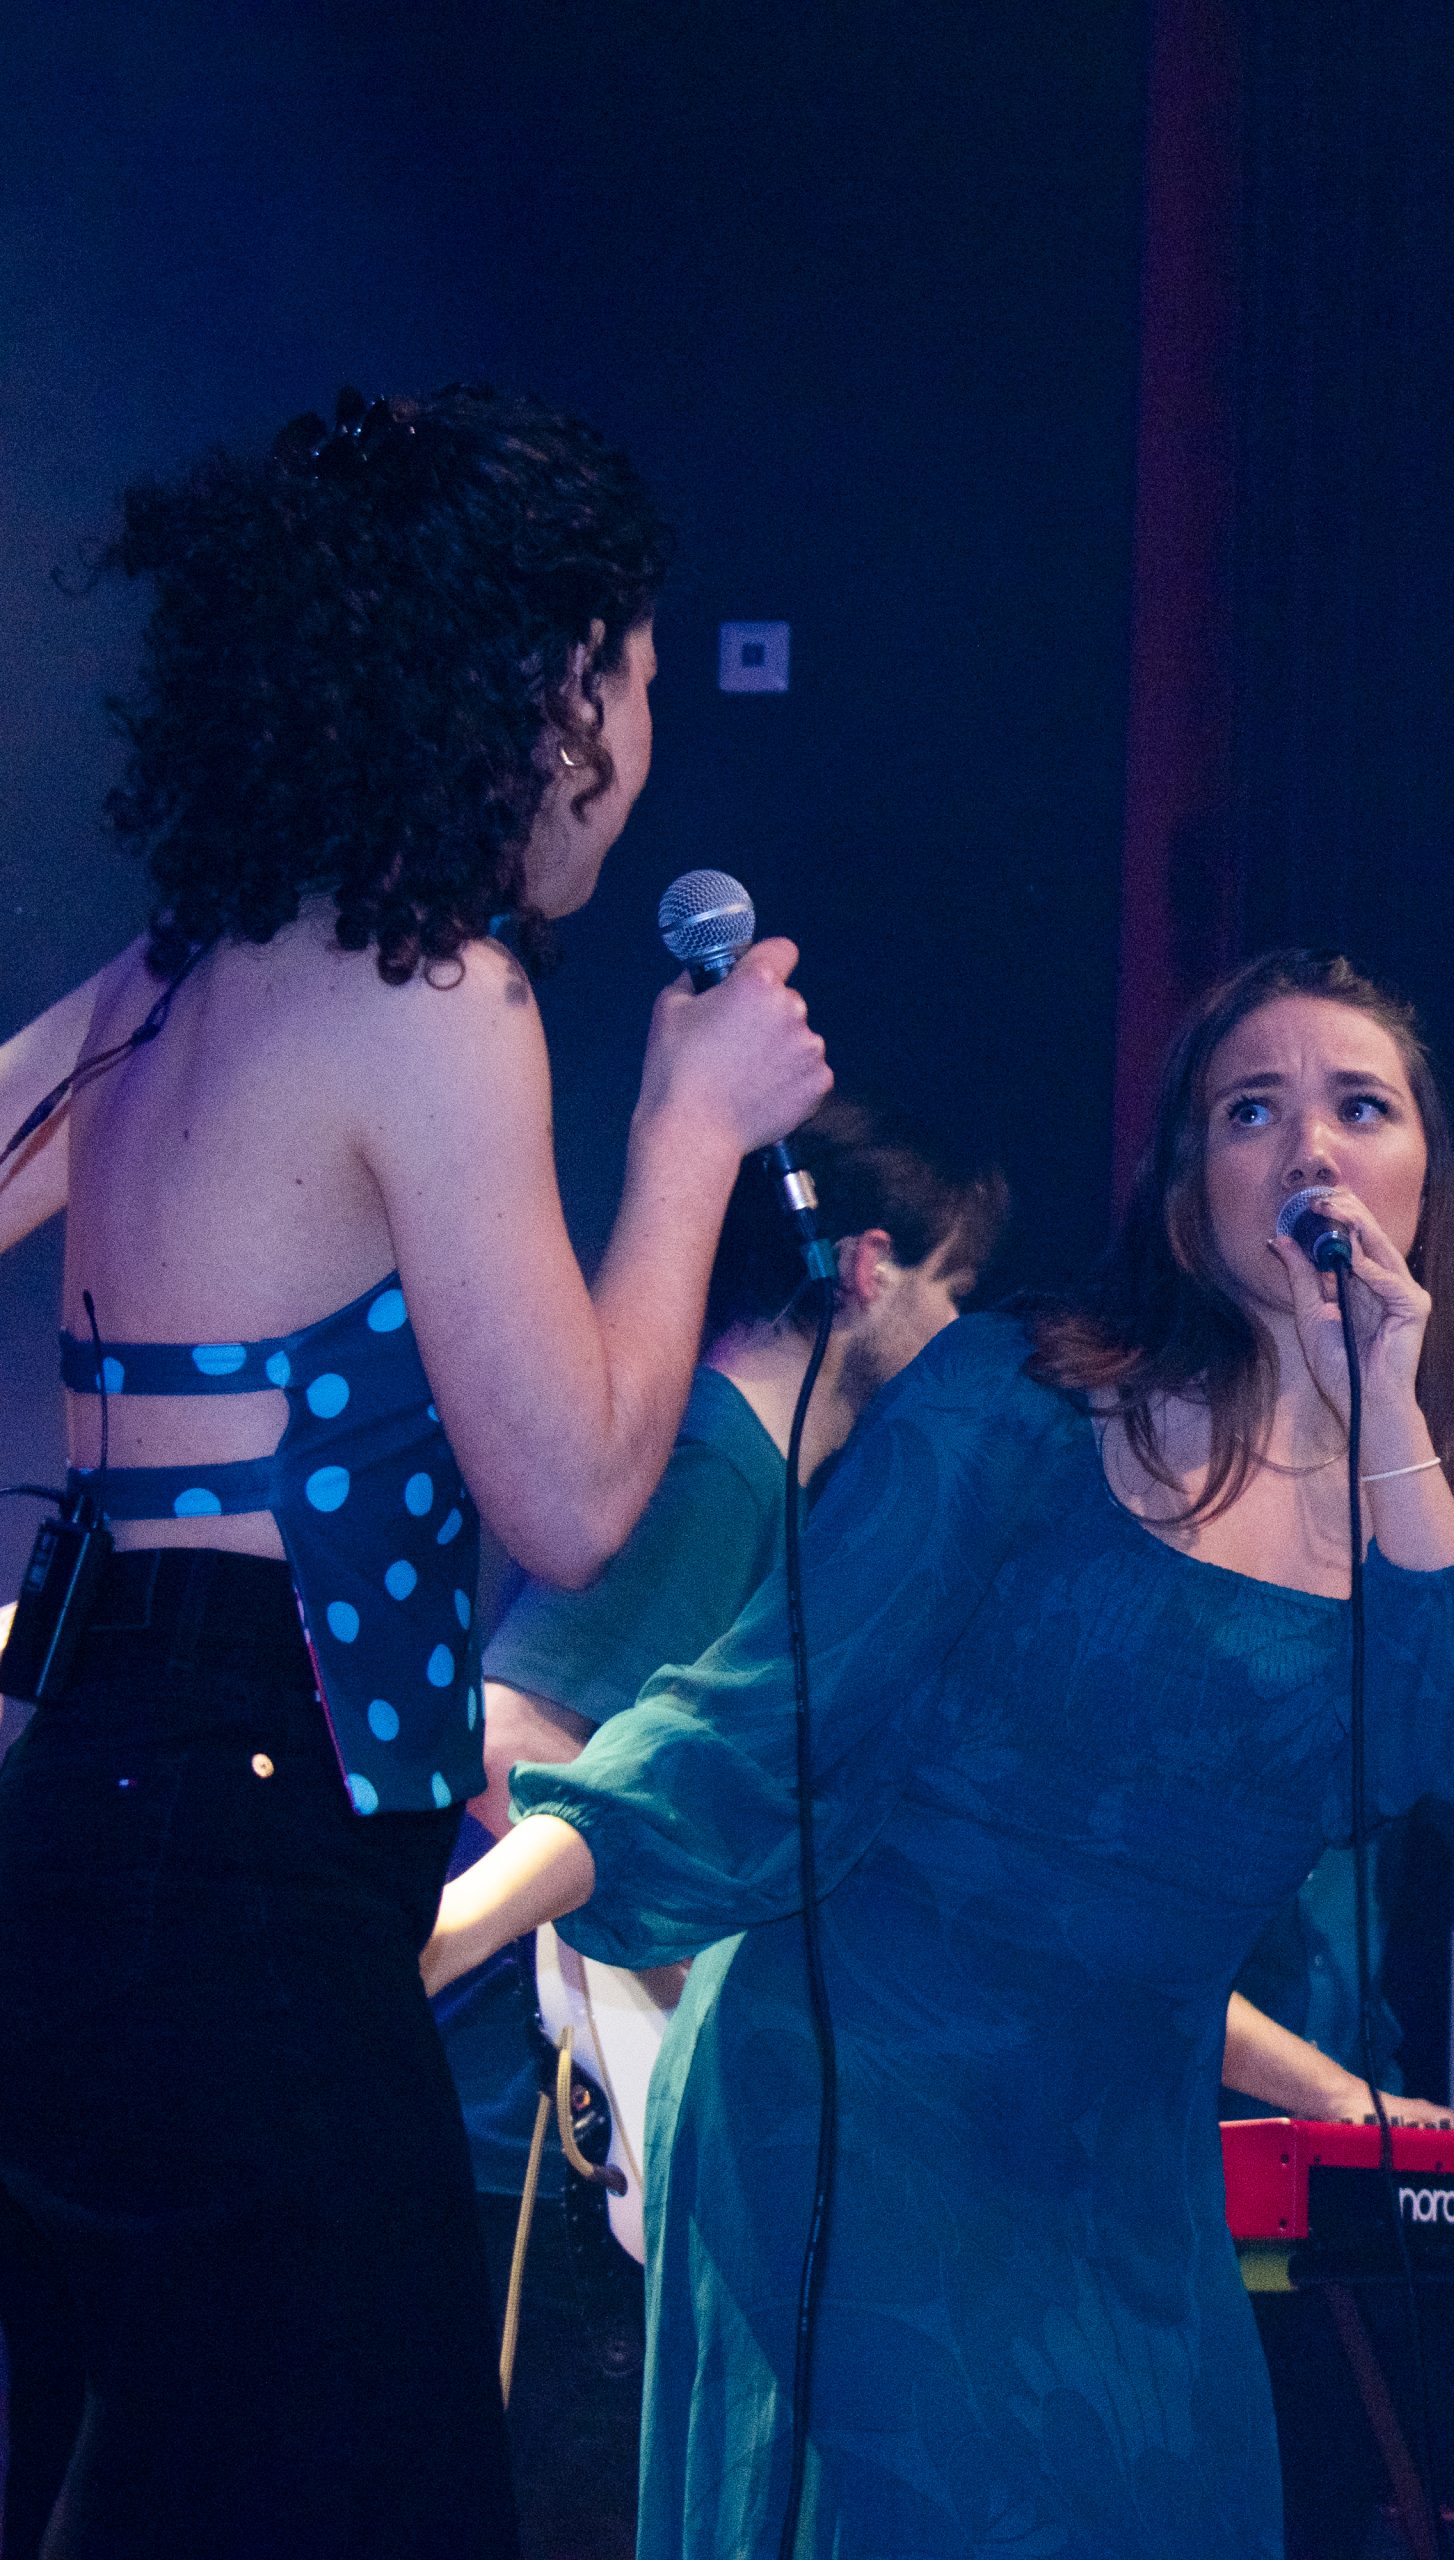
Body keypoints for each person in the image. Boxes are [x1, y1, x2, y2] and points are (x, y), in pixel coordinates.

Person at [424, 944, 1454, 2559]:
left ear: (1425, 1182)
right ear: (1191, 1196)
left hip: (1120, 2167)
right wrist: (448, 1928)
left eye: (1361, 1107)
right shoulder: (1019, 1407)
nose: (1310, 1146)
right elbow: (752, 1722)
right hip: (857, 2095)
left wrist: (1385, 1406)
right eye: (1251, 1110)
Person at [0, 384, 830, 2560]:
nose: (639, 750)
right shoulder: (436, 988)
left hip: (84, 1820)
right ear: (546, 689)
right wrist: (688, 1136)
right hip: (246, 1858)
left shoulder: (177, 974)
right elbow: (571, 1493)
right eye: (635, 680)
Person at [437, 1094, 1010, 2560]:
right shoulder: (715, 1468)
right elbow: (509, 1740)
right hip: (534, 2149)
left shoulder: (763, 1490)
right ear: (865, 1270)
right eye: (953, 1287)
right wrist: (704, 1975)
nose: (963, 1335)